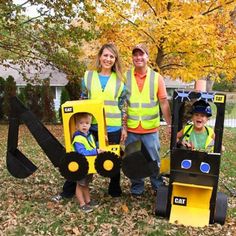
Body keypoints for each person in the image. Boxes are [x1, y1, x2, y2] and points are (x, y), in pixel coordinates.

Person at [52, 43, 127, 202]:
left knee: (113, 158)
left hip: (113, 126)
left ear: (115, 60)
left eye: (111, 56)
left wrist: (124, 127)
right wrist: (78, 124)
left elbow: (122, 106)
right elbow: (83, 100)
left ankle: (115, 191)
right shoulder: (89, 76)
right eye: (105, 55)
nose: (108, 59)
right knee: (79, 159)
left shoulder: (121, 80)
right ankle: (68, 191)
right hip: (90, 127)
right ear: (100, 56)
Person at [125, 43, 171, 197]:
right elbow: (121, 103)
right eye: (135, 54)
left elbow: (164, 102)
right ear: (132, 58)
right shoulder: (125, 77)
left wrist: (170, 123)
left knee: (153, 159)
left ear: (147, 57)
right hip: (131, 128)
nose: (138, 57)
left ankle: (157, 185)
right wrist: (123, 126)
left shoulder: (157, 78)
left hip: (150, 129)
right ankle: (137, 187)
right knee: (133, 160)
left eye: (141, 54)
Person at [72, 113, 104, 213]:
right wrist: (95, 152)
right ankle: (82, 204)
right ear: (77, 126)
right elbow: (82, 152)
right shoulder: (78, 138)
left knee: (85, 183)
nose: (84, 125)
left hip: (89, 165)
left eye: (87, 123)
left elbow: (93, 145)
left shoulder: (89, 135)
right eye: (81, 123)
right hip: (81, 164)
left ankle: (88, 201)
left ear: (90, 125)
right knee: (80, 184)